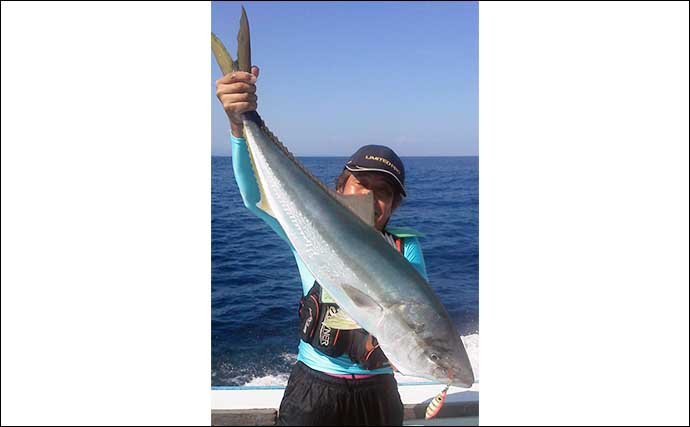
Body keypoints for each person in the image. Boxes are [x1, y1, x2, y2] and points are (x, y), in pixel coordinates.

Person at [215, 66, 430, 426]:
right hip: (314, 389)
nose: (371, 197)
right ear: (339, 189)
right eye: (360, 184)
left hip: (378, 394)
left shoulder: (404, 248)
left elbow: (414, 322)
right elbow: (255, 197)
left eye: (384, 192)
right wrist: (240, 125)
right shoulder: (308, 231)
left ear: (393, 205)